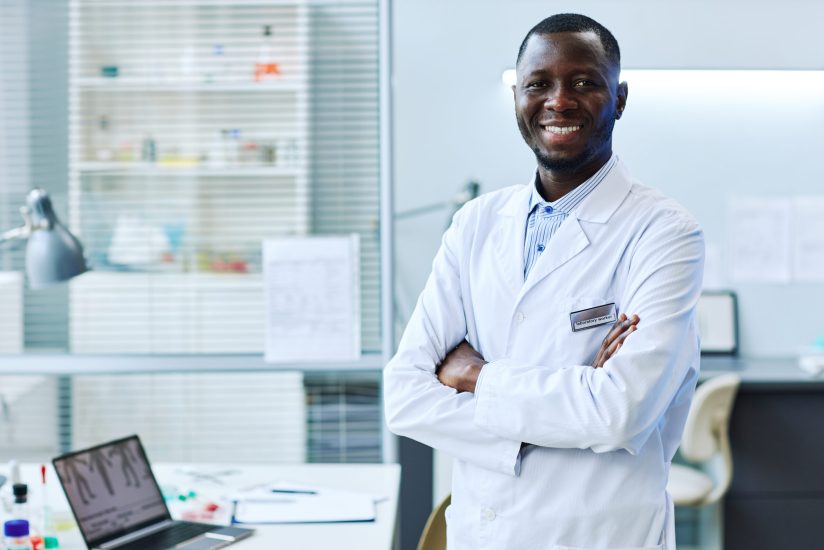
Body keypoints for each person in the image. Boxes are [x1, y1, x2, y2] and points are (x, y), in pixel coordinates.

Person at [384, 12, 704, 550]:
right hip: (480, 532)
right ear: (517, 97)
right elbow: (404, 396)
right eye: (539, 84)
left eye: (584, 83)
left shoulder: (665, 233)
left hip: (599, 535)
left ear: (619, 99)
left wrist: (475, 377)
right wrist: (567, 411)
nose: (559, 100)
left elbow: (619, 413)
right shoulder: (476, 223)